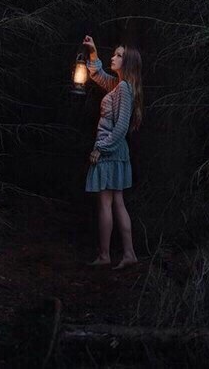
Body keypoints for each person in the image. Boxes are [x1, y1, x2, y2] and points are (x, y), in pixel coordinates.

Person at [82, 35, 144, 270]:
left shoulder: (124, 89)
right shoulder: (119, 86)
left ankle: (107, 255)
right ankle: (127, 254)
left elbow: (120, 129)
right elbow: (99, 76)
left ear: (128, 62)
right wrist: (93, 51)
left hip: (110, 152)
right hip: (114, 152)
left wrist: (100, 148)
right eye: (114, 54)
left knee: (107, 203)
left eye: (119, 55)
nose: (114, 57)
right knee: (116, 202)